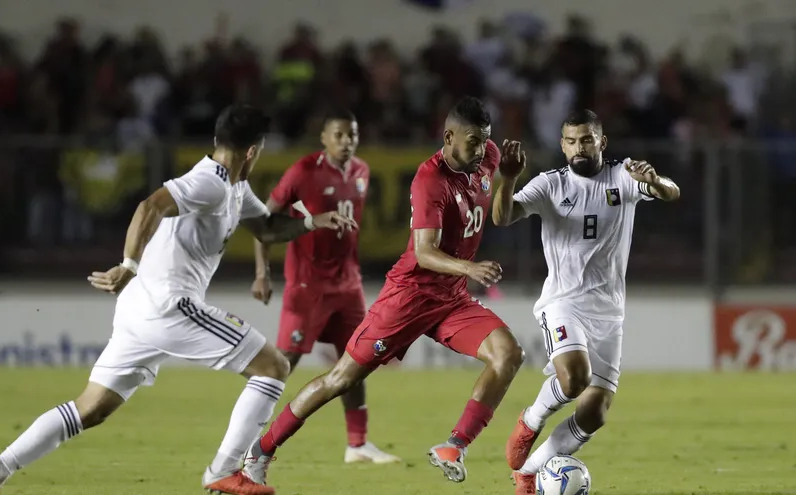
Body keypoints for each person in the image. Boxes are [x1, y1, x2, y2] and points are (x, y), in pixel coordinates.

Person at [0, 104, 357, 495]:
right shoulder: (209, 182)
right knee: (272, 366)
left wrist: (311, 221)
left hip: (140, 311)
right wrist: (128, 263)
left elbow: (268, 229)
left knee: (91, 408)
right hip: (169, 306)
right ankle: (223, 470)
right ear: (253, 151)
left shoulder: (235, 187)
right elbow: (150, 206)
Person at [238, 96, 527, 493]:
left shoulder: (490, 156)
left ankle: (454, 446)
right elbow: (424, 252)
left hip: (451, 298)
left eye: (485, 141)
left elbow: (498, 215)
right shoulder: (430, 180)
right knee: (340, 379)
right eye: (473, 141)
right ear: (448, 137)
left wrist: (508, 179)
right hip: (409, 296)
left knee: (508, 353)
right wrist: (470, 267)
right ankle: (261, 452)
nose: (481, 150)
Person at [492, 109, 680, 495]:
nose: (580, 147)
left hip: (609, 312)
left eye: (587, 140)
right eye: (572, 141)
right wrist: (508, 177)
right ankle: (530, 420)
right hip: (563, 303)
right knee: (574, 378)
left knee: (594, 412)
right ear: (562, 145)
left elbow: (672, 192)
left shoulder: (623, 175)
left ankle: (529, 472)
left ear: (601, 142)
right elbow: (501, 217)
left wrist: (655, 181)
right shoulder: (549, 184)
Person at [251, 109, 400, 464]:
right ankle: (251, 434)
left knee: (357, 359)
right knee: (285, 361)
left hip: (348, 284)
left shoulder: (362, 172)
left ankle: (358, 444)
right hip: (308, 284)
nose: (347, 142)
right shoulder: (303, 171)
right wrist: (262, 272)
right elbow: (264, 221)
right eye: (339, 135)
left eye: (352, 135)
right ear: (323, 137)